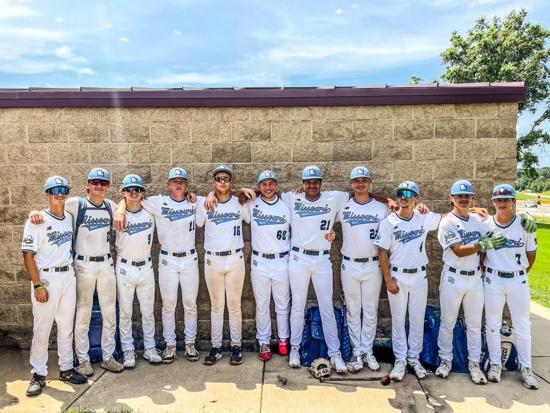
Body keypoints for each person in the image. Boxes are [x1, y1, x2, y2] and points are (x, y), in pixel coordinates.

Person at [28, 168, 123, 376]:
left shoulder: (110, 205)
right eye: (95, 182)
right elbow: (52, 207)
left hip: (106, 264)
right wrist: (33, 213)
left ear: (108, 186)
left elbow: (125, 203)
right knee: (83, 314)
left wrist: (121, 209)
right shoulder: (76, 204)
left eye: (104, 183)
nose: (99, 186)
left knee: (109, 313)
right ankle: (83, 359)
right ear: (87, 184)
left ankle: (108, 356)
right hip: (83, 265)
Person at [115, 167, 200, 363]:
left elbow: (214, 196)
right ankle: (168, 345)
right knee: (165, 305)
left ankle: (189, 343)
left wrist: (197, 195)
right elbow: (127, 201)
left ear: (186, 185)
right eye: (175, 181)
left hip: (187, 258)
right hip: (161, 260)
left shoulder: (192, 202)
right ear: (168, 184)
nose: (134, 193)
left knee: (189, 304)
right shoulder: (154, 203)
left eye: (182, 181)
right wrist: (120, 208)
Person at [22, 176, 87, 397]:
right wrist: (37, 285)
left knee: (66, 326)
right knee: (42, 328)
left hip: (67, 275)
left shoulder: (69, 217)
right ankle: (38, 374)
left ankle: (66, 369)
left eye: (63, 190)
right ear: (47, 194)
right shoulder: (37, 220)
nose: (60, 193)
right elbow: (28, 255)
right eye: (55, 190)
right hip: (47, 278)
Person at [281, 165, 350, 373]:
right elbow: (265, 193)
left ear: (321, 183)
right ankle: (295, 349)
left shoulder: (334, 198)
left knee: (326, 306)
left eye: (315, 182)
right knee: (297, 305)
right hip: (298, 257)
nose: (312, 185)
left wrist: (389, 201)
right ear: (302, 184)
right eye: (308, 182)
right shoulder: (292, 198)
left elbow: (360, 194)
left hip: (321, 259)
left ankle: (335, 353)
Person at [435, 179, 505, 384]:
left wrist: (522, 218)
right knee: (448, 322)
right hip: (453, 276)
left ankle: (474, 363)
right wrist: (481, 245)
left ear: (472, 198)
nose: (463, 199)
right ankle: (445, 360)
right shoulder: (447, 222)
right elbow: (458, 250)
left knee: (474, 325)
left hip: (474, 278)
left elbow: (499, 225)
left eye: (467, 196)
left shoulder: (477, 220)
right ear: (452, 198)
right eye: (459, 196)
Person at [374, 181, 442, 381]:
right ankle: (400, 359)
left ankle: (414, 358)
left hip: (419, 275)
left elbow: (449, 216)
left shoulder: (423, 217)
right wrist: (388, 279)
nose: (404, 197)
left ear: (416, 198)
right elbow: (382, 252)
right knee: (398, 320)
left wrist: (473, 210)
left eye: (409, 194)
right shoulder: (388, 222)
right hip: (398, 276)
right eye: (401, 194)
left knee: (417, 319)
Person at [482, 184, 539, 389]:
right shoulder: (486, 225)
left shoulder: (525, 224)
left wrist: (519, 272)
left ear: (514, 201)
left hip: (517, 280)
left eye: (506, 199)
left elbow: (531, 255)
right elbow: (482, 256)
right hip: (493, 279)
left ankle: (526, 367)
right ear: (493, 202)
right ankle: (495, 364)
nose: (502, 203)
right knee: (492, 324)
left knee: (522, 325)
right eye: (498, 199)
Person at [336, 166, 391, 372]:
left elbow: (398, 220)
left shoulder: (381, 207)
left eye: (364, 180)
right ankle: (357, 351)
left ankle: (368, 350)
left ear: (370, 183)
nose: (360, 184)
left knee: (370, 310)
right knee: (353, 309)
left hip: (373, 264)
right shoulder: (343, 206)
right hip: (349, 263)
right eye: (357, 181)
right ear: (351, 184)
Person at [195, 165, 251, 366]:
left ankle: (236, 346)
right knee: (217, 306)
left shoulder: (239, 201)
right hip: (213, 259)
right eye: (218, 178)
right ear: (214, 182)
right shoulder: (205, 203)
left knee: (234, 306)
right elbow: (198, 222)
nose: (222, 181)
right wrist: (208, 196)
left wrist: (240, 191)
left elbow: (255, 204)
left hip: (235, 258)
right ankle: (216, 347)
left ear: (230, 182)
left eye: (226, 178)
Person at [242, 170, 291, 361]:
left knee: (282, 303)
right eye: (264, 184)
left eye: (271, 183)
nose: (268, 187)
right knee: (262, 304)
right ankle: (264, 341)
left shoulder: (286, 203)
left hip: (282, 259)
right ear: (259, 186)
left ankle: (283, 339)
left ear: (276, 185)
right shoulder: (252, 203)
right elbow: (233, 197)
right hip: (259, 260)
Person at [115, 174, 161, 367]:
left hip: (146, 266)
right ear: (123, 192)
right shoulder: (116, 211)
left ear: (143, 192)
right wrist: (120, 208)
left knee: (148, 311)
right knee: (125, 312)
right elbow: (117, 206)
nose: (133, 193)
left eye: (137, 189)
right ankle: (128, 350)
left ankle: (150, 348)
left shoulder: (150, 210)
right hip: (125, 267)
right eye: (129, 189)